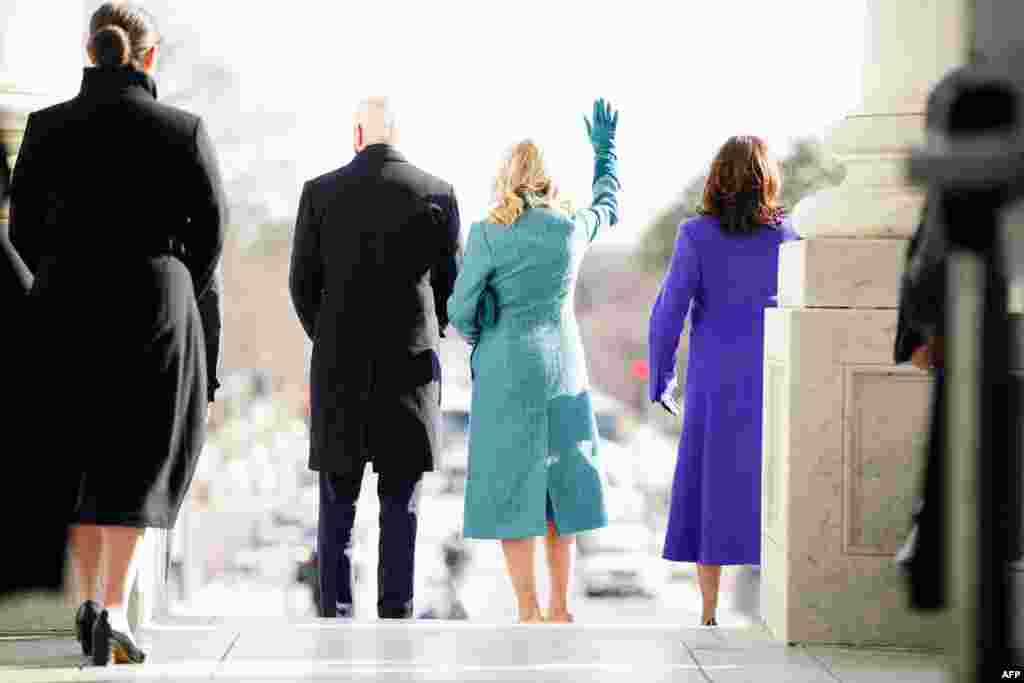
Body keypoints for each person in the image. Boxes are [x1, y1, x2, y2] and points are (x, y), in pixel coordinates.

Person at [8, 2, 226, 664]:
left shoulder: (46, 128)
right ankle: (110, 607)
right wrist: (172, 278)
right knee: (138, 456)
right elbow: (211, 234)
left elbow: (19, 230)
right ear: (150, 56)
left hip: (64, 300)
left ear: (89, 50)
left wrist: (57, 272)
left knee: (76, 454)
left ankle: (85, 605)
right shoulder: (183, 131)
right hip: (154, 303)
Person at [447, 99, 621, 623]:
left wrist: (486, 328)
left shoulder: (486, 233)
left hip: (506, 370)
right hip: (563, 369)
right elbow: (608, 204)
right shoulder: (571, 228)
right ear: (547, 180)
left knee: (510, 489)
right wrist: (605, 151)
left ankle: (528, 609)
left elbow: (460, 310)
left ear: (506, 178)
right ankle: (561, 606)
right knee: (558, 491)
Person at [289, 96, 461, 619]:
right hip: (408, 375)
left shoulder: (319, 193)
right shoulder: (437, 194)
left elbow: (302, 285)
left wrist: (330, 336)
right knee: (400, 509)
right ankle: (396, 614)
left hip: (339, 372)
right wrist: (431, 330)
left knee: (336, 511)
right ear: (399, 137)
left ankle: (336, 617)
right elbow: (450, 287)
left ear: (356, 136)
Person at [648, 136, 798, 626]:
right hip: (774, 379)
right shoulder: (787, 237)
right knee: (771, 484)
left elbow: (668, 312)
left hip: (714, 382)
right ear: (767, 180)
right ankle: (772, 609)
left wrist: (662, 378)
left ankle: (710, 611)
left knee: (708, 488)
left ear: (716, 178)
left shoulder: (695, 235)